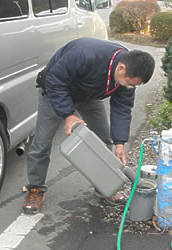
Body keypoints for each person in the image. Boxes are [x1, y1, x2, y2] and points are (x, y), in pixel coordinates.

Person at [23, 37, 155, 214]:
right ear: (122, 68)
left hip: (89, 96)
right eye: (129, 83)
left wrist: (120, 143)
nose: (129, 88)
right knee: (42, 143)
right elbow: (54, 80)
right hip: (55, 91)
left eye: (134, 86)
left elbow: (122, 108)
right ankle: (35, 189)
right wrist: (68, 115)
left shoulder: (126, 75)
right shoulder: (86, 54)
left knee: (104, 140)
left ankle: (105, 188)